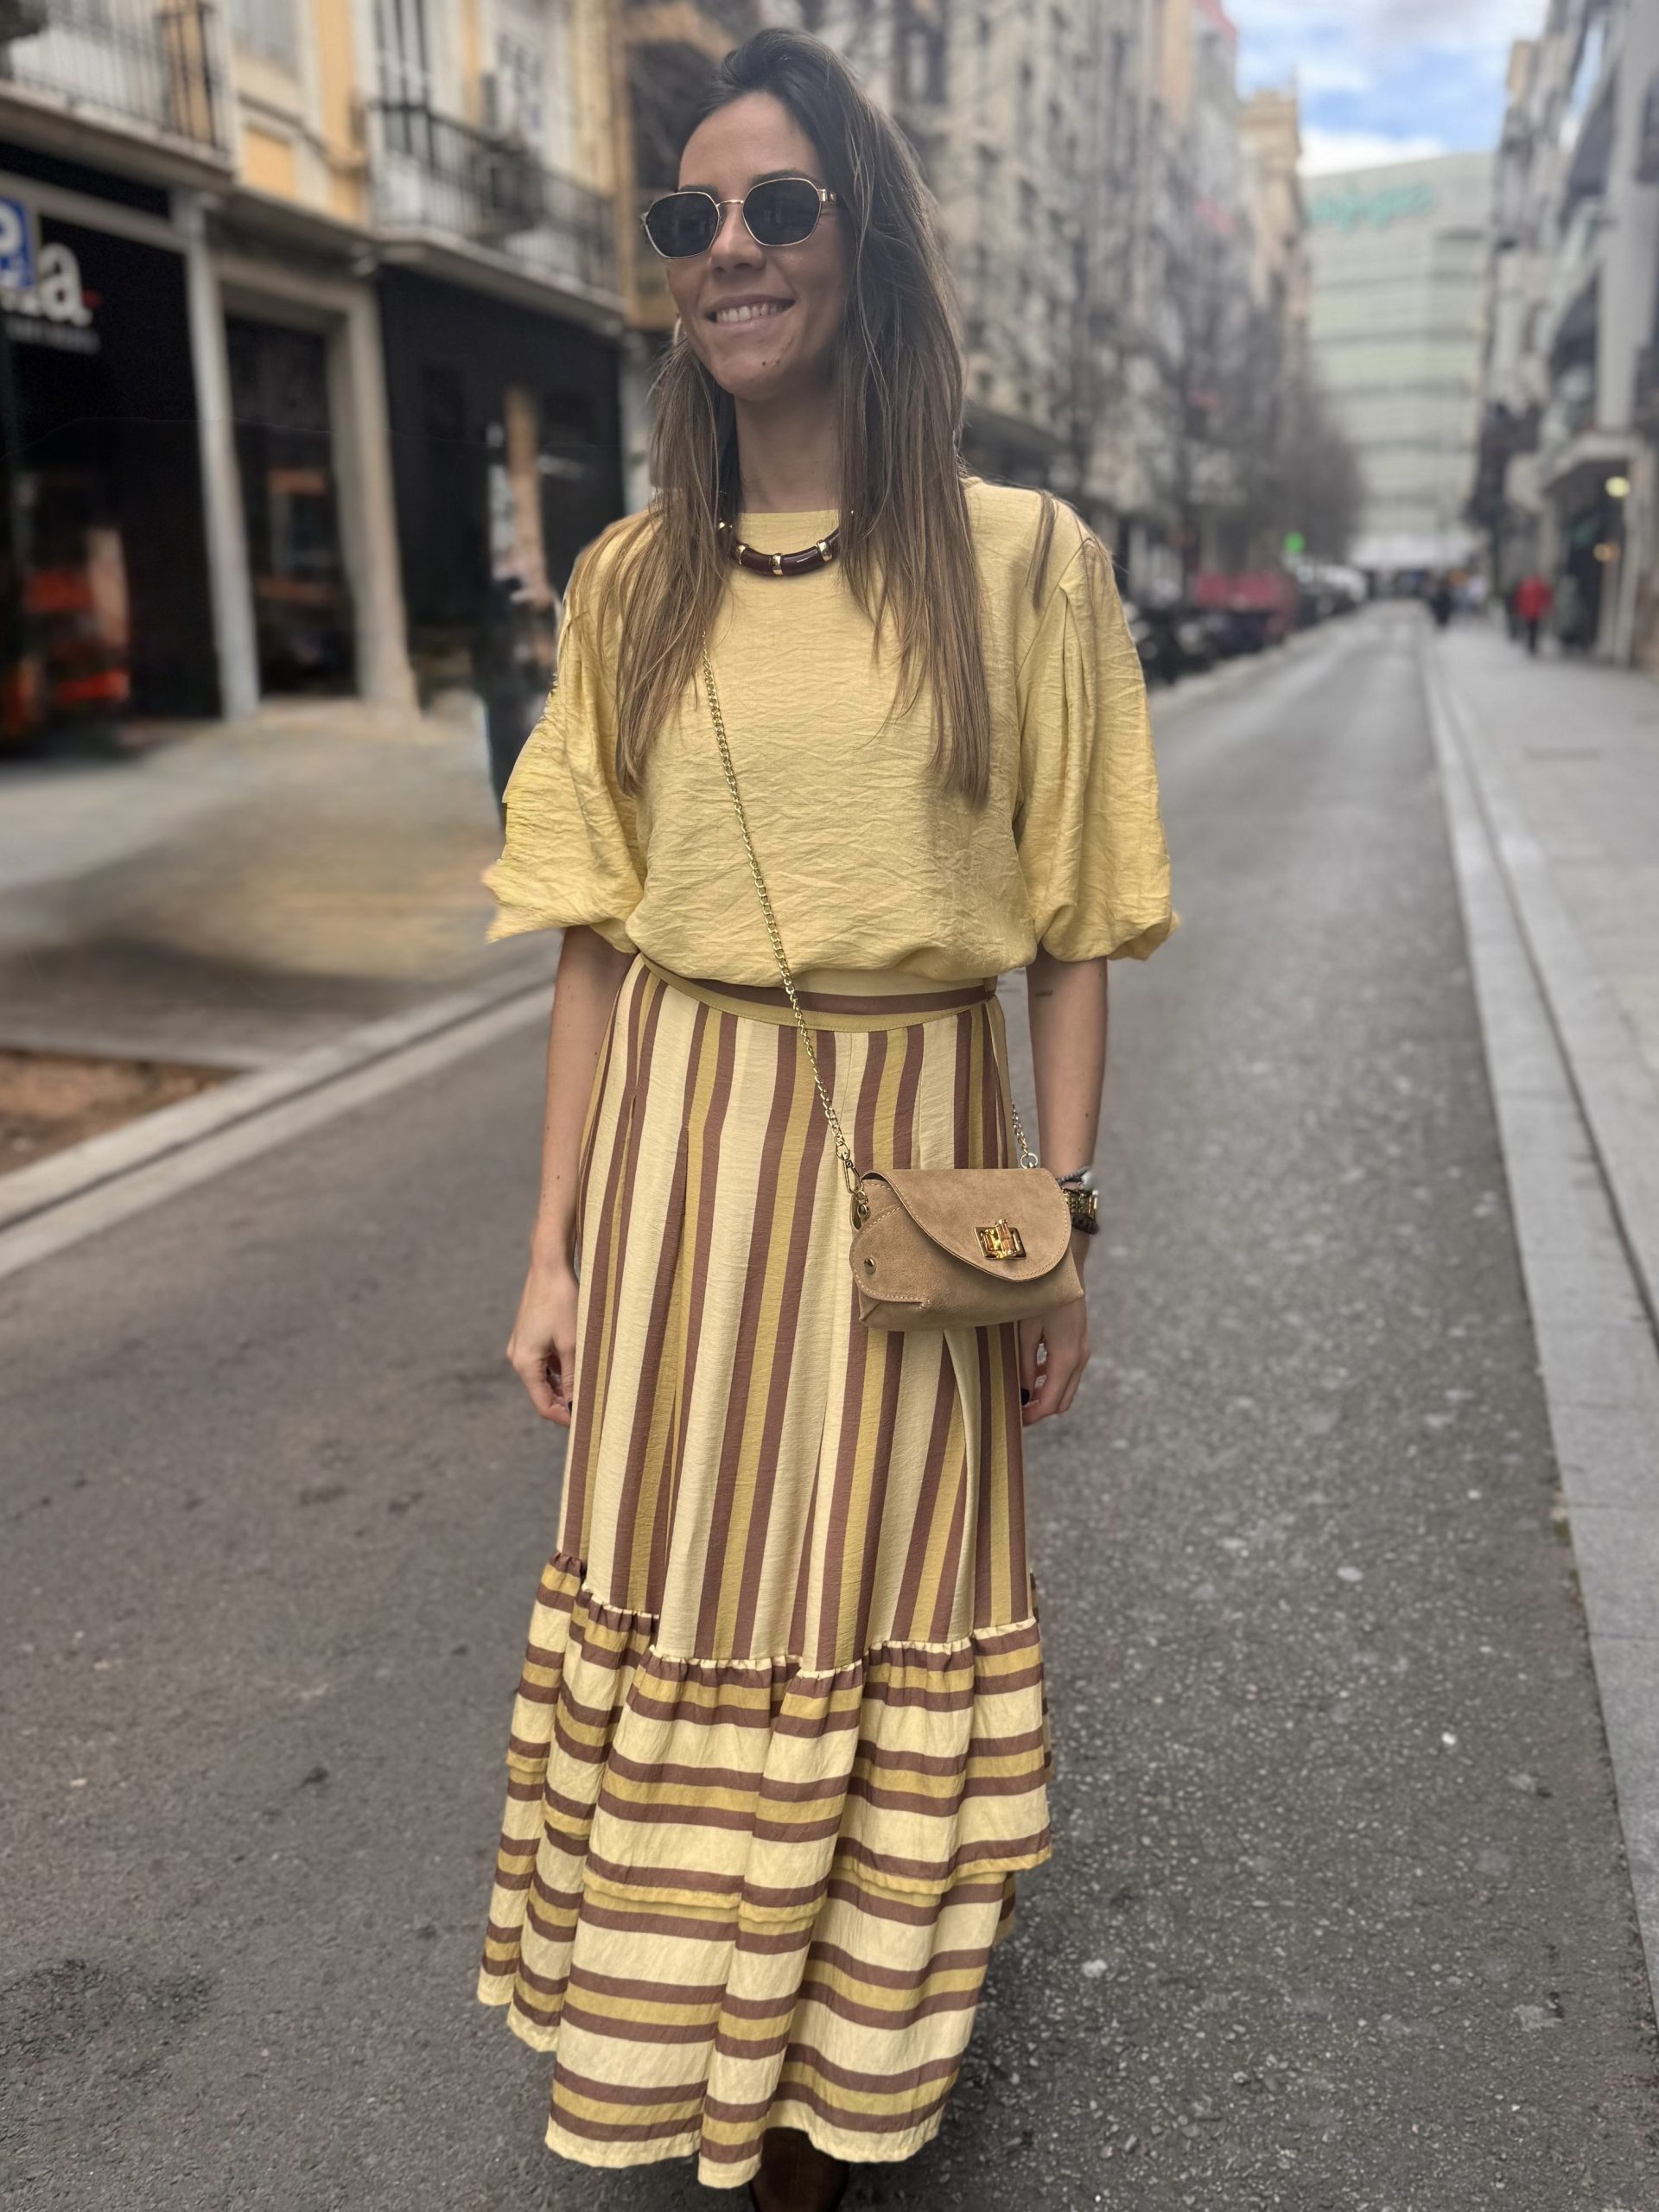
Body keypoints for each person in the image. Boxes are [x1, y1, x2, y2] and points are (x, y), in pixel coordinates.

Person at [474, 29, 1174, 2209]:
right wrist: (552, 1244)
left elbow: (1072, 927)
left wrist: (1056, 1228)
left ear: (862, 238)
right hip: (684, 1154)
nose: (731, 250)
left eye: (777, 206)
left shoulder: (1023, 561)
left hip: (917, 1155)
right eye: (689, 217)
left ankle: (821, 2090)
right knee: (694, 1590)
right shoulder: (629, 582)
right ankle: (686, 2044)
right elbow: (598, 942)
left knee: (873, 1600)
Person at [1513, 570, 1554, 654]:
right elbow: (1546, 597)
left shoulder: (1525, 585)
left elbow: (1519, 598)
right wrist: (1548, 608)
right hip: (1537, 611)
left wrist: (1519, 608)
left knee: (1529, 628)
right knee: (1535, 628)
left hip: (1527, 611)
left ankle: (1530, 643)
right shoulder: (1541, 585)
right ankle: (1532, 644)